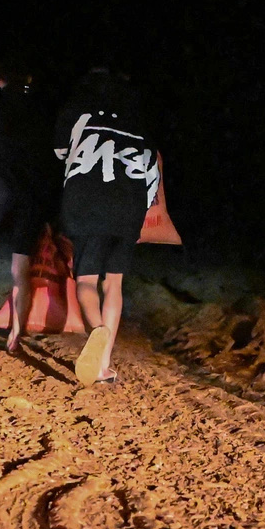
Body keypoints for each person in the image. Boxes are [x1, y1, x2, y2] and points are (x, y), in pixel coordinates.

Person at [55, 68, 158, 385]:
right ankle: (103, 366)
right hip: (129, 205)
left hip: (87, 203)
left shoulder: (76, 110)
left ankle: (97, 329)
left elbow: (60, 152)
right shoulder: (137, 120)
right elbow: (151, 168)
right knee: (114, 284)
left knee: (86, 281)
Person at [0, 54, 55, 352]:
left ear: (0, 81)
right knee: (21, 267)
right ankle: (16, 335)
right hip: (30, 193)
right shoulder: (42, 112)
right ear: (29, 80)